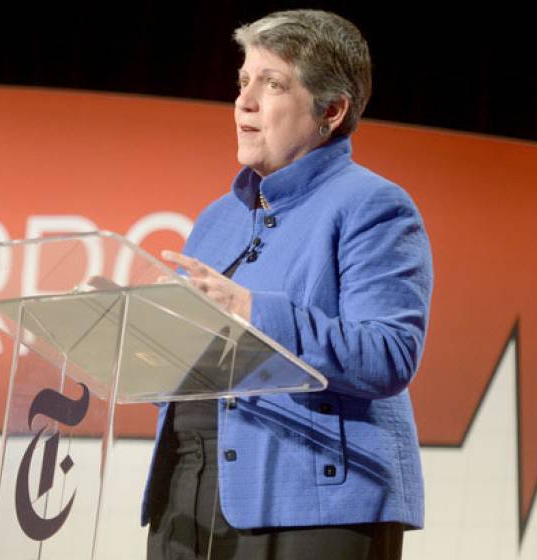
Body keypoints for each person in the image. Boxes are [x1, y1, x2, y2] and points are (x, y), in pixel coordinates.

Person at [143, 10, 434, 560]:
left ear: (332, 110)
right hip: (189, 490)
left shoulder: (373, 206)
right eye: (242, 82)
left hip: (314, 501)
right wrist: (134, 326)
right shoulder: (216, 218)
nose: (244, 102)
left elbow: (389, 355)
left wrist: (255, 309)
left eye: (272, 84)